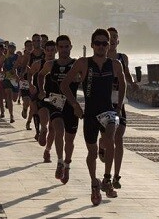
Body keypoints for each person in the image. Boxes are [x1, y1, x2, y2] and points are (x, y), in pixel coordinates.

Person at [61, 28, 126, 206]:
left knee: (112, 136)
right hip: (89, 113)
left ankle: (106, 179)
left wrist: (119, 107)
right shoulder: (83, 63)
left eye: (104, 43)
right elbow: (65, 85)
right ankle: (94, 183)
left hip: (108, 111)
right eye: (97, 43)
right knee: (92, 152)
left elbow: (123, 83)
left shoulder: (115, 64)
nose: (101, 46)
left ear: (108, 45)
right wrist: (75, 105)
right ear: (91, 45)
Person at [97, 27, 139, 189]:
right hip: (103, 104)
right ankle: (102, 143)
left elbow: (127, 75)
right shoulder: (100, 58)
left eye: (115, 37)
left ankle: (116, 176)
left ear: (118, 40)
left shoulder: (122, 58)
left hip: (119, 103)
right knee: (108, 138)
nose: (113, 40)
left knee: (118, 138)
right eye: (110, 38)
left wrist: (133, 83)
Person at [37, 35, 79, 184]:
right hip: (55, 102)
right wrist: (41, 90)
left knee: (70, 140)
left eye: (66, 46)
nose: (64, 50)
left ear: (71, 47)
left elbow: (86, 80)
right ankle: (60, 162)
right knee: (58, 130)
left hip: (71, 104)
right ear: (57, 49)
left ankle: (67, 165)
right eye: (60, 47)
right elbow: (40, 75)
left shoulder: (76, 64)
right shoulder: (50, 64)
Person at [2, 42, 19, 123]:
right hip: (7, 78)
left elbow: (21, 66)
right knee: (9, 96)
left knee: (14, 99)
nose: (11, 49)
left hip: (15, 79)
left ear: (15, 48)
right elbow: (1, 67)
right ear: (8, 48)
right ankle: (11, 115)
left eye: (13, 47)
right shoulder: (5, 57)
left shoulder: (17, 57)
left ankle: (8, 104)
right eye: (10, 47)